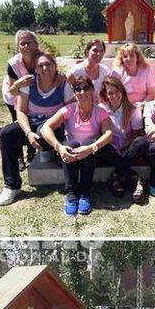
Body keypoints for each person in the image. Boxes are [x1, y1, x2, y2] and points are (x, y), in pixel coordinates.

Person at [0, 51, 74, 206]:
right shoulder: (29, 84)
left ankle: (48, 151)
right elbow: (20, 111)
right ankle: (12, 185)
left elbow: (71, 111)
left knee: (42, 133)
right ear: (35, 69)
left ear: (55, 66)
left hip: (53, 126)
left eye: (49, 64)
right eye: (41, 65)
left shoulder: (63, 84)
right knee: (6, 134)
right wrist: (28, 133)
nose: (45, 68)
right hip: (31, 125)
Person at [41, 76, 114, 216]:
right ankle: (71, 195)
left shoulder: (100, 111)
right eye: (78, 89)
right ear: (74, 93)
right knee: (70, 145)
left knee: (88, 144)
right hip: (70, 154)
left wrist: (91, 148)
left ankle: (85, 193)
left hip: (90, 156)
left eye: (86, 87)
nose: (82, 92)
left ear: (92, 90)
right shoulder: (68, 110)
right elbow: (45, 128)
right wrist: (59, 147)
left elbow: (109, 134)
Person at [100, 76, 150, 202]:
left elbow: (137, 133)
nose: (114, 95)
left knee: (141, 142)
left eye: (117, 91)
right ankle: (136, 178)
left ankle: (117, 175)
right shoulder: (102, 108)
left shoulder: (133, 109)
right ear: (105, 94)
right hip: (110, 149)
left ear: (122, 92)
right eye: (110, 92)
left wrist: (123, 147)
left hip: (127, 149)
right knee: (102, 147)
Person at [2, 29, 39, 121]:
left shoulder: (44, 60)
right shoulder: (13, 64)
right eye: (22, 44)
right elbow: (12, 91)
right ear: (18, 48)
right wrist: (18, 84)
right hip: (14, 95)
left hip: (35, 95)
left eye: (30, 42)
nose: (26, 46)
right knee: (18, 121)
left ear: (36, 44)